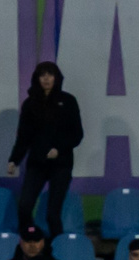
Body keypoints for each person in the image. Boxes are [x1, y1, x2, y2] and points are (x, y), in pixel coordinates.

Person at [6, 60, 84, 237]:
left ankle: (57, 247)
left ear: (57, 78)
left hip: (61, 165)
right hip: (37, 163)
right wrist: (14, 160)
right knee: (24, 207)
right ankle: (30, 241)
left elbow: (77, 134)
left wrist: (59, 149)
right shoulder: (30, 104)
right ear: (37, 78)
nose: (46, 79)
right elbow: (23, 137)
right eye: (42, 75)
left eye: (50, 75)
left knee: (52, 214)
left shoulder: (68, 101)